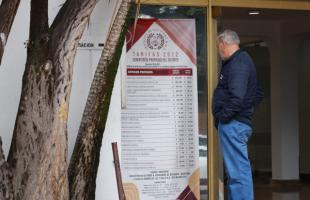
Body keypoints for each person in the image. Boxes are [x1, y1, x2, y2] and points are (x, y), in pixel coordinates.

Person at [212, 29, 263, 200]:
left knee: (237, 173)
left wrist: (224, 117)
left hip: (233, 124)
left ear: (223, 44)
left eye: (219, 46)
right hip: (235, 123)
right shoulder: (241, 61)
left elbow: (237, 97)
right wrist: (245, 113)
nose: (219, 51)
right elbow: (257, 93)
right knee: (236, 172)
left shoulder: (238, 63)